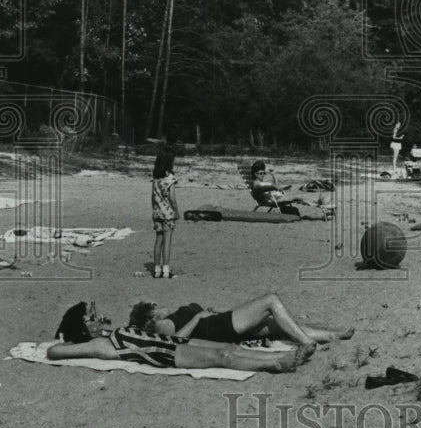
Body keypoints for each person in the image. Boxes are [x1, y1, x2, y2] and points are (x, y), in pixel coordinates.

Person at [46, 326, 314, 373]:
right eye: (91, 317)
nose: (99, 318)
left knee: (229, 347)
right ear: (83, 328)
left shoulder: (110, 333)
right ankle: (275, 364)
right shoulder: (98, 344)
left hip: (176, 344)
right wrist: (65, 342)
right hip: (167, 355)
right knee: (224, 357)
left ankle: (281, 355)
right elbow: (55, 352)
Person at [128, 293, 354, 345]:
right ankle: (307, 343)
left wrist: (207, 313)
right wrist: (198, 316)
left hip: (221, 324)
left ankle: (332, 335)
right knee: (271, 301)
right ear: (150, 317)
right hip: (220, 328)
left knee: (278, 326)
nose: (158, 305)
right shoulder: (160, 324)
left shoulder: (168, 318)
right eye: (152, 306)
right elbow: (177, 342)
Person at [150, 131, 179, 278]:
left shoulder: (156, 178)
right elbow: (172, 198)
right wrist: (176, 211)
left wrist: (155, 209)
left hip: (157, 212)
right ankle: (166, 270)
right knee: (167, 242)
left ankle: (156, 270)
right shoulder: (170, 178)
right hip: (168, 213)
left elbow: (152, 197)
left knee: (158, 241)